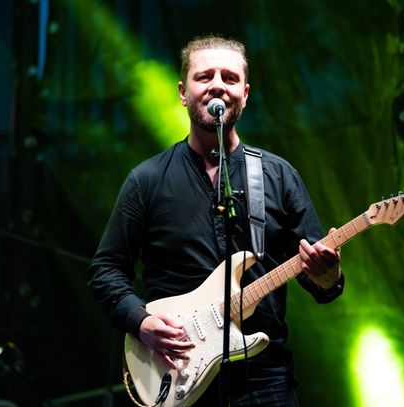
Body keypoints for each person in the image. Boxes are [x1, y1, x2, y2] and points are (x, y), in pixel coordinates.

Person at [88, 35, 344, 406]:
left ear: (245, 93)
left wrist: (328, 276)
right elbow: (106, 269)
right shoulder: (146, 180)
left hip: (263, 380)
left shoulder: (278, 176)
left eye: (230, 77)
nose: (218, 85)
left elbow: (317, 275)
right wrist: (139, 321)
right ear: (183, 92)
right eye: (205, 76)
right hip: (176, 367)